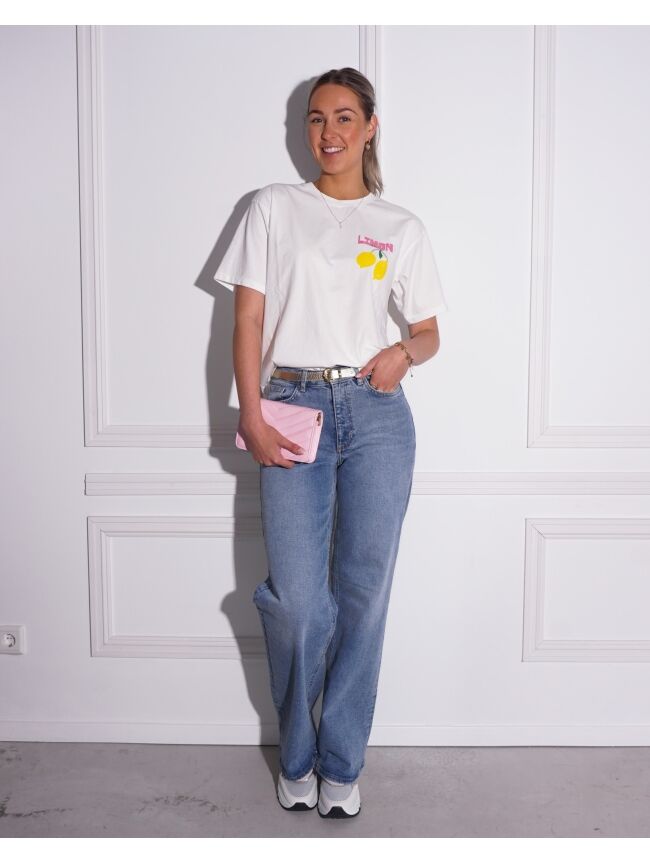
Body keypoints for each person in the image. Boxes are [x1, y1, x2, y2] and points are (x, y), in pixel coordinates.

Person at [214, 67, 448, 819]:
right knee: (298, 603)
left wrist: (403, 353)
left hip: (377, 415)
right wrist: (252, 412)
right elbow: (248, 320)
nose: (329, 132)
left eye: (345, 117)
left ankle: (342, 765)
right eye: (317, 118)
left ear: (370, 127)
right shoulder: (274, 208)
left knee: (364, 595)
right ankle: (299, 756)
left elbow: (429, 331)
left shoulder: (400, 226)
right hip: (289, 404)